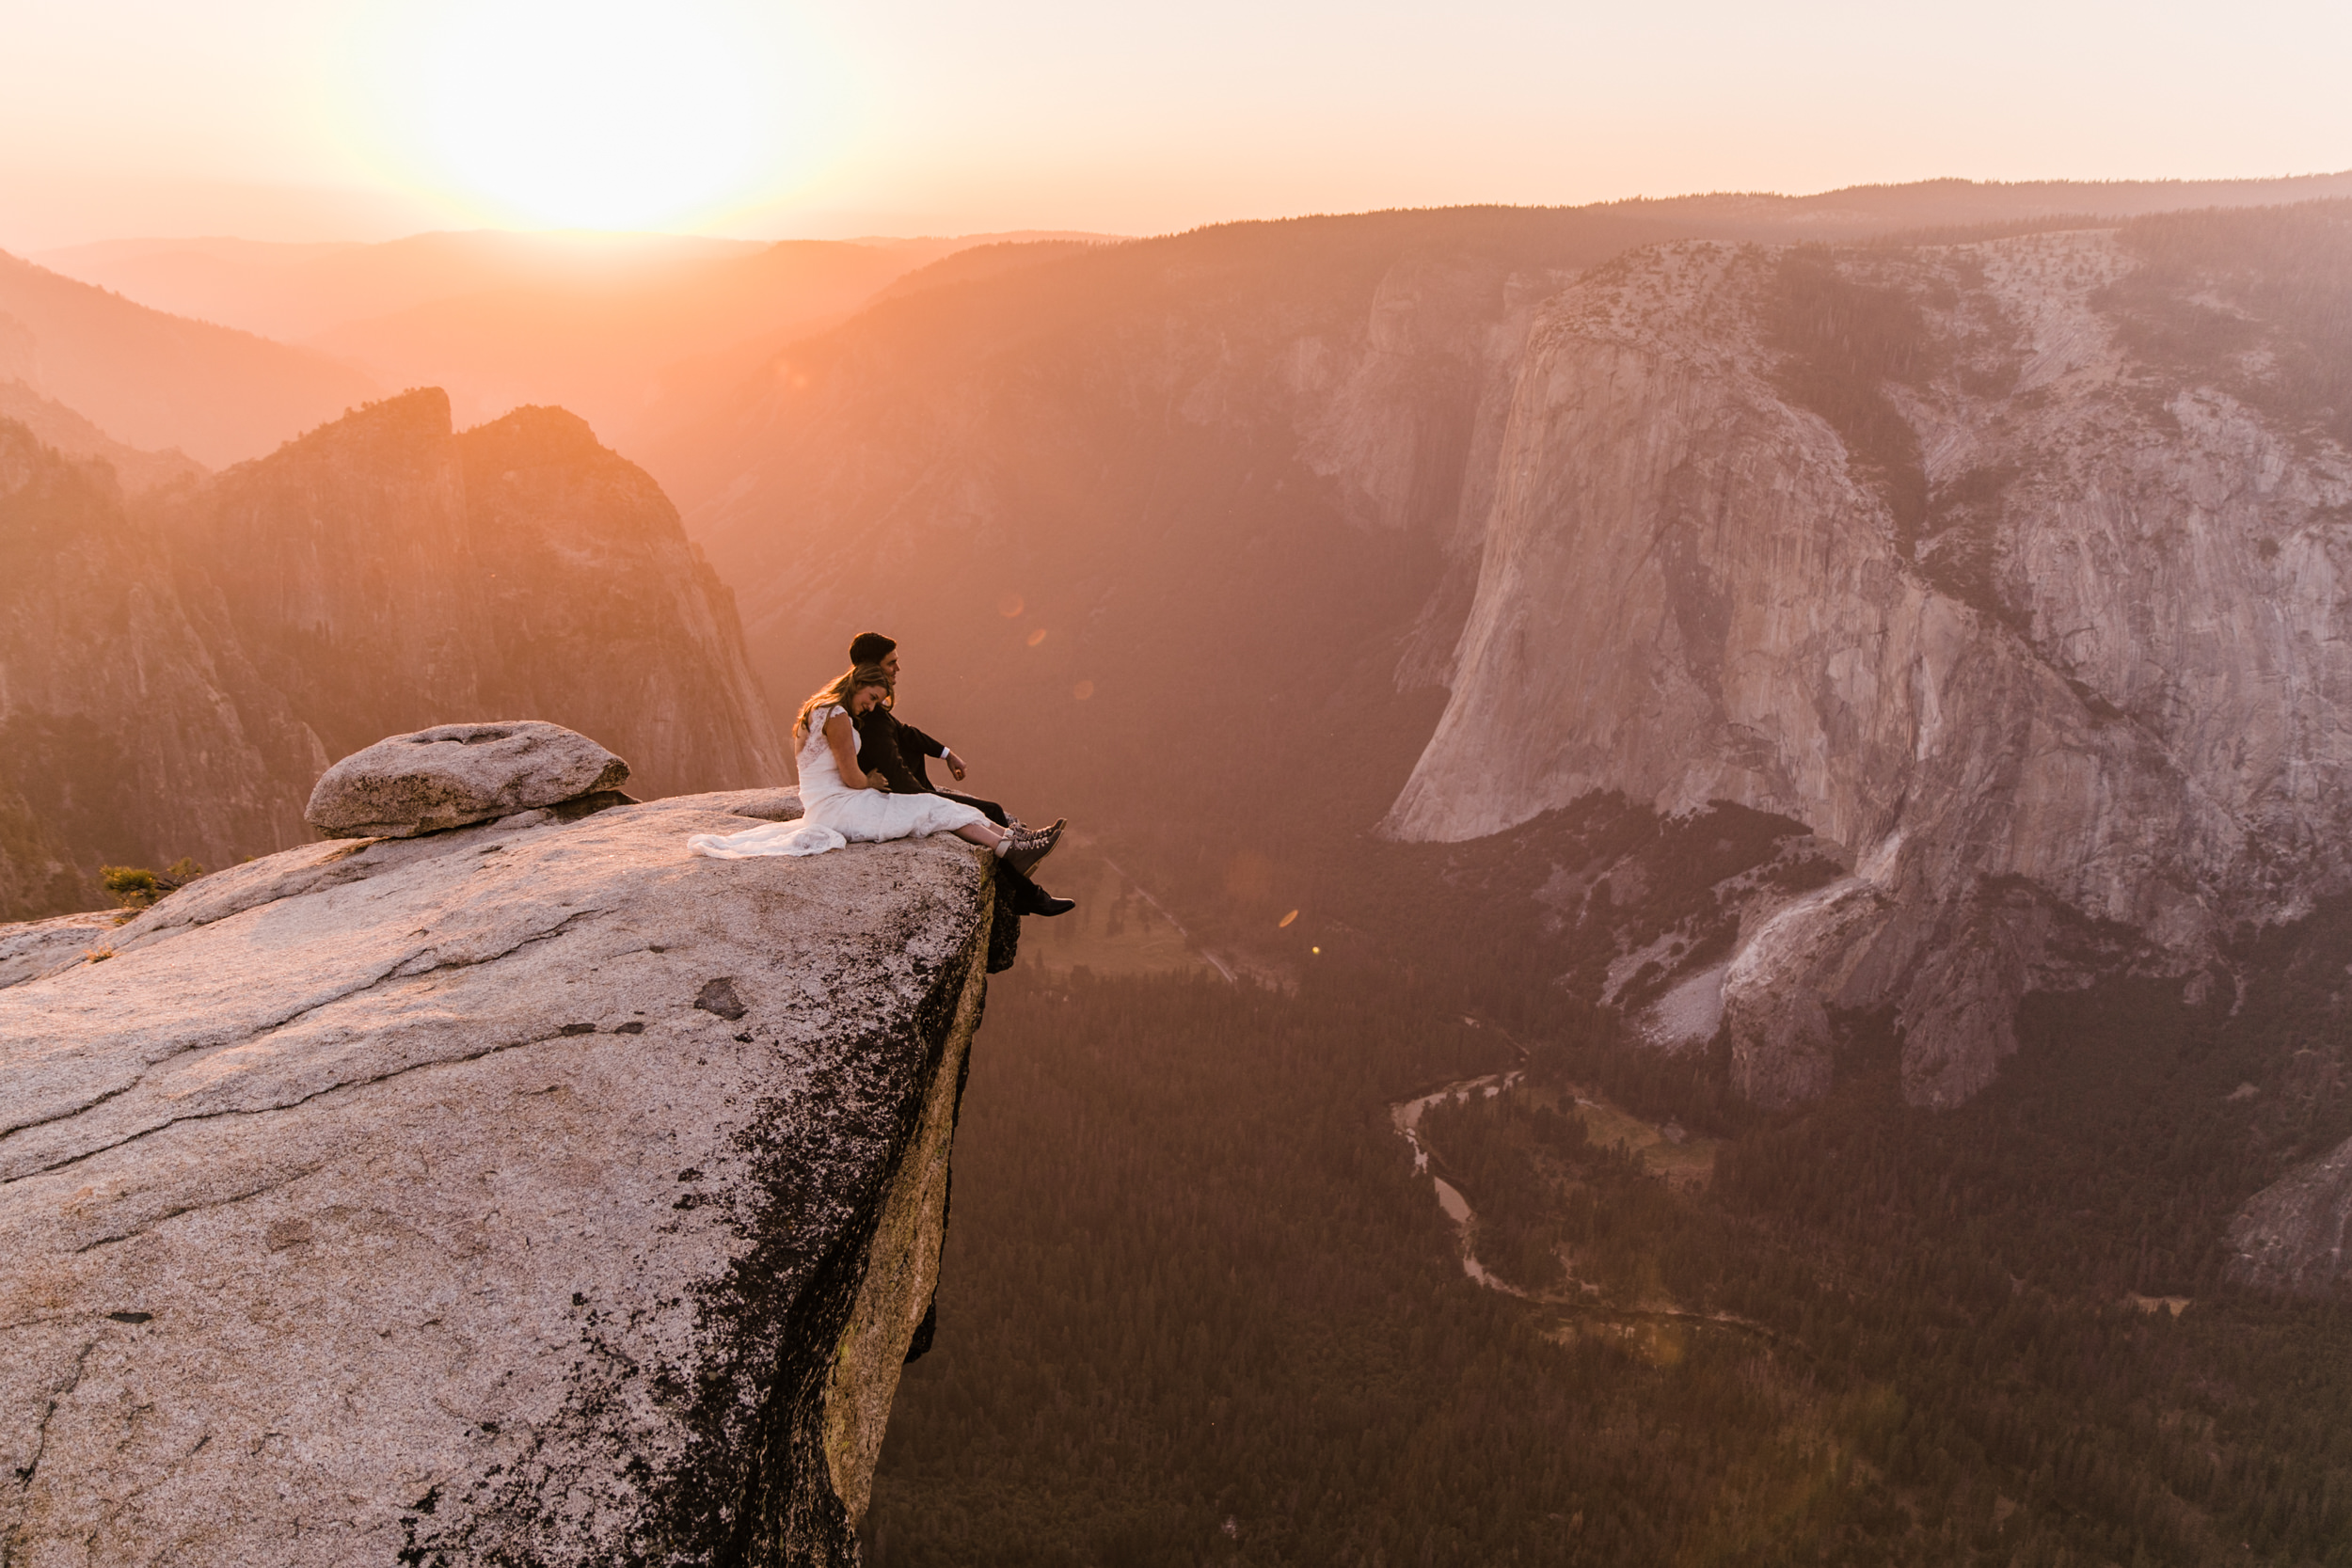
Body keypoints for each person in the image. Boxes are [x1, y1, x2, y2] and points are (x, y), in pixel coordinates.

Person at [845, 631, 1075, 916]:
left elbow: (906, 733)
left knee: (990, 810)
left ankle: (1025, 863)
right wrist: (933, 801)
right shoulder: (872, 717)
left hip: (904, 792)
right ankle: (1027, 886)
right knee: (988, 811)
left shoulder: (866, 703)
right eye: (891, 663)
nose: (898, 669)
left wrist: (945, 753)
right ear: (872, 666)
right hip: (896, 799)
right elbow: (895, 773)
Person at [793, 664, 1060, 874]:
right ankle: (1012, 847)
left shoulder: (818, 709)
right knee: (930, 807)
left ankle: (1015, 842)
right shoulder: (837, 716)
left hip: (826, 806)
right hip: (837, 808)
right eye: (871, 697)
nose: (870, 707)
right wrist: (871, 780)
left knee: (932, 804)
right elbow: (852, 778)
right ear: (858, 683)